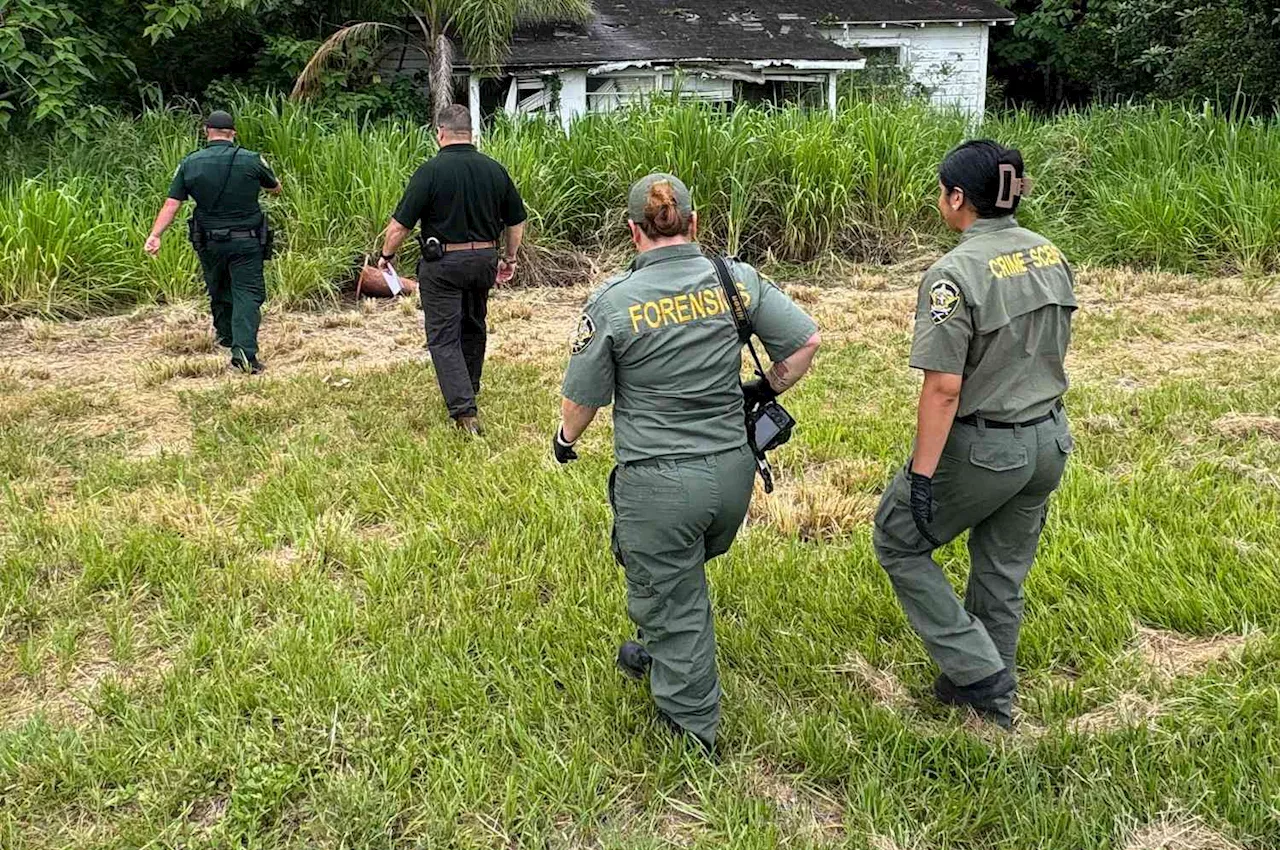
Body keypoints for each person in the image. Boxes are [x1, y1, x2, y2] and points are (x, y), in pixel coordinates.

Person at [554, 173, 821, 751]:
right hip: (733, 474)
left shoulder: (613, 303)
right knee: (675, 575)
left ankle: (691, 731)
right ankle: (666, 650)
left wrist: (564, 439)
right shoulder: (735, 281)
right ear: (695, 223)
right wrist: (763, 390)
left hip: (660, 483)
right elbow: (804, 344)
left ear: (632, 232)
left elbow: (581, 402)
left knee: (670, 592)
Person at [872, 140, 1077, 729]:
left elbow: (943, 389)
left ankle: (978, 671)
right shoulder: (1048, 254)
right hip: (1048, 440)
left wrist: (921, 473)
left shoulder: (952, 274)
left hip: (986, 446)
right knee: (1001, 570)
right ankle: (988, 697)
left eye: (943, 190)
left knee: (897, 538)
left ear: (958, 198)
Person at [377, 104, 528, 436]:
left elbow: (400, 226)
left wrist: (386, 256)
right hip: (485, 260)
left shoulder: (430, 172)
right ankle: (469, 387)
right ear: (471, 133)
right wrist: (510, 258)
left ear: (440, 133)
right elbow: (516, 220)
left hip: (443, 264)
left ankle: (464, 412)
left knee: (444, 336)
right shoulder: (494, 169)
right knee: (474, 325)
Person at [146, 110, 282, 374]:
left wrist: (155, 235)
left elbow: (172, 204)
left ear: (206, 131)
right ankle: (243, 355)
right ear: (233, 133)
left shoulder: (190, 163)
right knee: (247, 293)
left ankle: (225, 336)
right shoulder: (251, 160)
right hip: (247, 240)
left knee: (218, 285)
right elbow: (275, 188)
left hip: (209, 241)